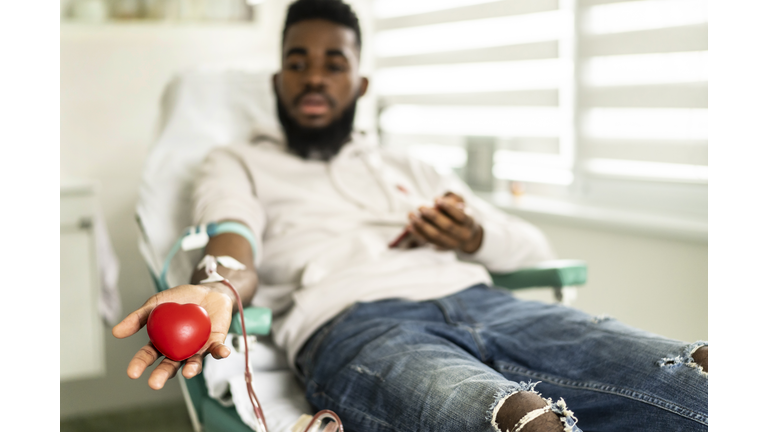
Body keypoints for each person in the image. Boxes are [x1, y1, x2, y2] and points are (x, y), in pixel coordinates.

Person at [112, 1, 708, 430]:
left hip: (491, 305)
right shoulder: (236, 162)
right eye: (298, 62)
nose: (314, 76)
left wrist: (474, 234)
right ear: (278, 79)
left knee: (701, 376)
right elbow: (230, 236)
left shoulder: (408, 165)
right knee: (520, 422)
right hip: (359, 326)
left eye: (333, 63)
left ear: (360, 81)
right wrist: (217, 288)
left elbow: (528, 248)